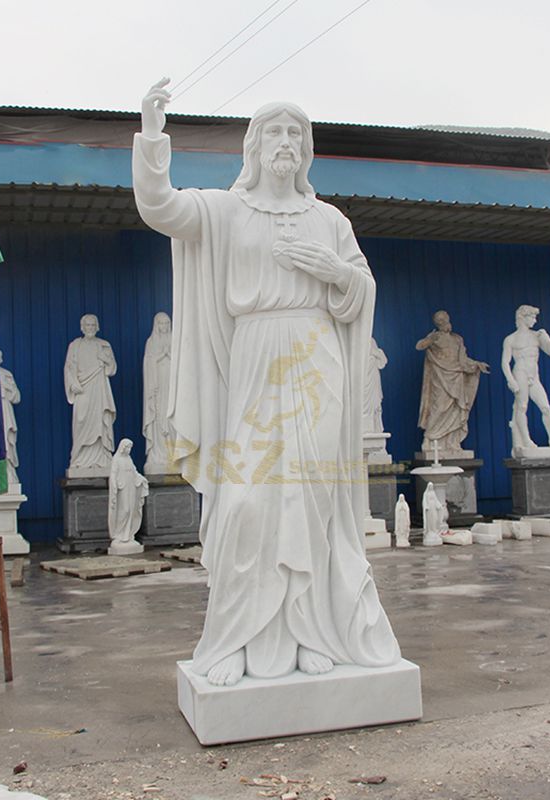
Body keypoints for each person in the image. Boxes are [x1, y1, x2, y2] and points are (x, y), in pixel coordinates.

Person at [132, 79, 401, 686]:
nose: (285, 142)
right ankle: (237, 636)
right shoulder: (227, 210)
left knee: (310, 498)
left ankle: (310, 629)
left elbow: (362, 289)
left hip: (316, 358)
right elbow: (161, 207)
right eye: (273, 132)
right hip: (254, 356)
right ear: (253, 147)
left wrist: (337, 272)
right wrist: (152, 136)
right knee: (248, 499)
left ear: (306, 150)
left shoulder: (329, 219)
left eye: (295, 133)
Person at [416, 310, 488, 458]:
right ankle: (429, 439)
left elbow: (463, 360)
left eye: (445, 320)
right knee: (438, 408)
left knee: (455, 410)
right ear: (437, 323)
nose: (444, 323)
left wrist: (477, 364)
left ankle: (451, 443)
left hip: (456, 378)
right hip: (440, 379)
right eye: (440, 321)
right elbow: (419, 346)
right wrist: (430, 339)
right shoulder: (435, 338)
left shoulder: (457, 339)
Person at [501, 305, 550, 454]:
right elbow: (505, 362)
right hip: (520, 372)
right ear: (522, 318)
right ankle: (526, 440)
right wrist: (510, 380)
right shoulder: (511, 339)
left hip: (534, 374)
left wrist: (545, 336)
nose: (535, 320)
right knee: (522, 406)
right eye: (532, 317)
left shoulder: (536, 335)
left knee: (545, 407)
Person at [64, 314, 117, 473]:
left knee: (100, 422)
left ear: (97, 327)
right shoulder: (75, 345)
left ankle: (102, 458)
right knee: (82, 422)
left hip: (99, 389)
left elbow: (112, 369)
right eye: (87, 325)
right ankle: (80, 458)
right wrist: (73, 384)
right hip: (83, 390)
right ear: (82, 327)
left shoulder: (104, 345)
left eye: (93, 325)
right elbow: (69, 367)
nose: (90, 328)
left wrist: (106, 360)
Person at [143, 312, 173, 473]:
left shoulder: (176, 340)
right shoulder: (151, 342)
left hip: (172, 390)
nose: (164, 326)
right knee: (158, 419)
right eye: (161, 323)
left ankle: (172, 454)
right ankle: (157, 455)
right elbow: (148, 363)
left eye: (167, 323)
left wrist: (171, 356)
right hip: (158, 389)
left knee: (172, 419)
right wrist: (162, 355)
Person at [108, 439, 148, 552]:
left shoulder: (128, 459)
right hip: (122, 488)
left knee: (131, 510)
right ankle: (118, 534)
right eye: (127, 447)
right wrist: (114, 485)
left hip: (131, 487)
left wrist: (141, 478)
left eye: (130, 448)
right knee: (124, 510)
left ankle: (127, 535)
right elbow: (113, 474)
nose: (129, 450)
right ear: (122, 447)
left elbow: (134, 471)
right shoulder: (116, 459)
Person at [0, 349, 21, 486]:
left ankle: (7, 477)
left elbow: (16, 397)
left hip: (4, 409)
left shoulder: (6, 375)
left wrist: (5, 385)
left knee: (6, 442)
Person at [363, 337, 387, 434]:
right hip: (361, 381)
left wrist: (375, 353)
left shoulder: (370, 340)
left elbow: (382, 362)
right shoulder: (352, 339)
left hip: (372, 379)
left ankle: (375, 427)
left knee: (374, 405)